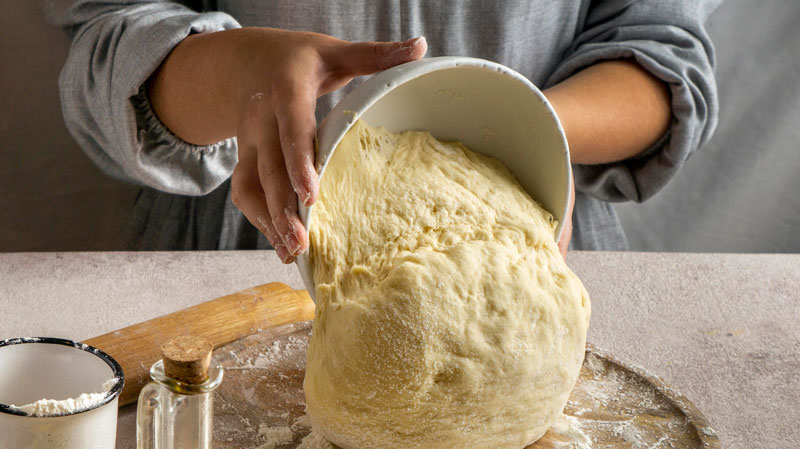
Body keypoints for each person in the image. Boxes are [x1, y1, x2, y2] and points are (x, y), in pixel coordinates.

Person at [44, 1, 719, 260]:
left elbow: (661, 49)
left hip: (532, 233)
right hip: (248, 242)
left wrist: (526, 130)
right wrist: (237, 73)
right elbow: (106, 52)